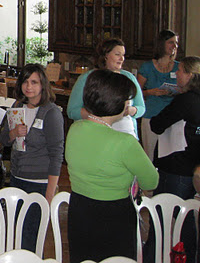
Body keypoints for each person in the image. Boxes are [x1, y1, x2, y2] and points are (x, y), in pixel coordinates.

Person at [66, 69, 158, 262]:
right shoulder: (125, 142)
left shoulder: (75, 129)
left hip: (79, 209)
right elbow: (151, 181)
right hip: (114, 214)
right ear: (117, 103)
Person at [0, 64, 64, 253]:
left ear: (43, 85)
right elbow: (3, 139)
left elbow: (57, 154)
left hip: (39, 183)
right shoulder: (16, 106)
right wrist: (13, 133)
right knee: (16, 232)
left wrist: (50, 193)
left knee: (32, 237)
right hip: (17, 179)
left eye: (34, 82)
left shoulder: (51, 112)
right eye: (26, 82)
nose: (29, 87)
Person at [148, 56, 200, 262]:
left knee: (160, 216)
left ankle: (153, 256)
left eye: (180, 71)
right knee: (186, 218)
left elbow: (157, 124)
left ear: (190, 75)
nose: (176, 73)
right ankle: (189, 257)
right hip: (193, 167)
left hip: (174, 166)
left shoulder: (185, 101)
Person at [67, 38, 145, 139]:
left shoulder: (129, 78)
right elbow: (72, 111)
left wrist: (131, 110)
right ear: (105, 56)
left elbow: (141, 108)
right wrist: (99, 116)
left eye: (123, 55)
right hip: (95, 135)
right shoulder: (87, 78)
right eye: (117, 54)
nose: (122, 59)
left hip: (126, 135)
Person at [138, 29, 179, 160]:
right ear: (162, 44)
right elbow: (136, 93)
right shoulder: (147, 67)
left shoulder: (179, 67)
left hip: (173, 117)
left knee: (170, 157)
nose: (174, 46)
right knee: (150, 156)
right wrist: (151, 92)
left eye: (176, 43)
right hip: (151, 116)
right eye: (171, 42)